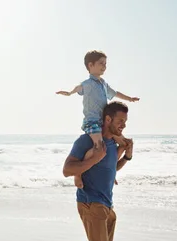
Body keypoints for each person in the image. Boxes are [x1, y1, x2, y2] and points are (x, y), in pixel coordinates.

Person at [54, 101, 133, 241]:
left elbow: (110, 170)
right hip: (90, 203)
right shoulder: (87, 142)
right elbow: (67, 170)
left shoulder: (110, 144)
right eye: (120, 121)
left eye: (125, 122)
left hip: (107, 204)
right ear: (107, 119)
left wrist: (126, 156)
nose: (123, 126)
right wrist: (94, 160)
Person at [56, 50, 139, 189]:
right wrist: (70, 93)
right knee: (99, 148)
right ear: (90, 65)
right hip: (93, 122)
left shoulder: (104, 84)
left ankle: (110, 174)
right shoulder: (87, 83)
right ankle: (78, 174)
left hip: (104, 123)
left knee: (125, 143)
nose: (104, 66)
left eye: (105, 64)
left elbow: (116, 93)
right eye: (101, 63)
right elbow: (78, 87)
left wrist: (129, 98)